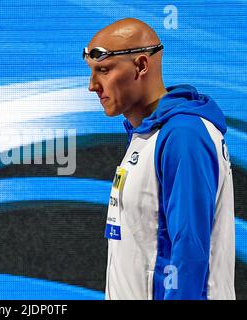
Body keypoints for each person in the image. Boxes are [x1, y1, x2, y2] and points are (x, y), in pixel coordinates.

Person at [83, 18, 236, 300]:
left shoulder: (183, 135)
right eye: (92, 72)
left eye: (103, 70)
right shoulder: (148, 134)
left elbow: (189, 252)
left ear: (141, 66)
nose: (93, 85)